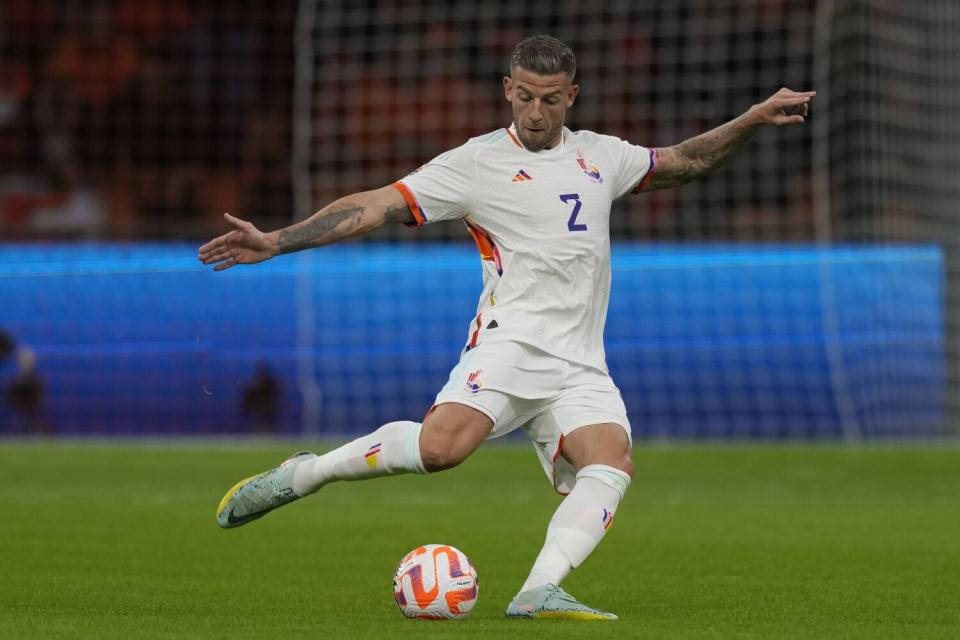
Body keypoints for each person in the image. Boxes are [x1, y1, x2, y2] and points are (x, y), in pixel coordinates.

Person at [199, 35, 814, 620]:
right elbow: (378, 204)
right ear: (506, 90)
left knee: (611, 462)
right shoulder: (475, 164)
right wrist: (277, 242)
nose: (536, 112)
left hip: (580, 361)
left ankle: (540, 590)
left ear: (571, 95)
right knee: (441, 451)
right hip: (511, 341)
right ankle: (308, 472)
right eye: (524, 96)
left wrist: (753, 118)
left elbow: (683, 161)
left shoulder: (603, 155)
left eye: (550, 98)